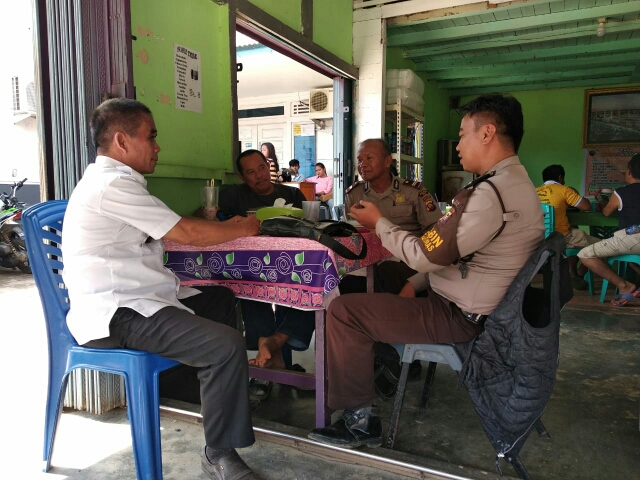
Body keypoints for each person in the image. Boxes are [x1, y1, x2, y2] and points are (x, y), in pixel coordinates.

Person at [308, 93, 544, 449]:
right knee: (378, 280)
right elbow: (449, 255)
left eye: (462, 135)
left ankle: (359, 420)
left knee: (342, 311)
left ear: (487, 133)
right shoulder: (513, 183)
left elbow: (426, 254)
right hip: (470, 298)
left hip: (457, 313)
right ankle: (379, 361)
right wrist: (416, 280)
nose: (458, 145)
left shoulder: (490, 193)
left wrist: (380, 222)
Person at [61, 98, 261, 479]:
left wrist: (223, 226)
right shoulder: (111, 185)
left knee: (219, 298)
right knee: (226, 345)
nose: (157, 147)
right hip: (117, 313)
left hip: (137, 300)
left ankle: (208, 397)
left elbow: (170, 225)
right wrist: (242, 228)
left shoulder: (119, 183)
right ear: (122, 141)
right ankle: (219, 452)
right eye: (150, 137)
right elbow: (185, 231)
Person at [341, 138, 443, 397]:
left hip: (409, 263)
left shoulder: (413, 192)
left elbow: (438, 238)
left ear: (388, 161)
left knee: (383, 278)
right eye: (360, 160)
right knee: (344, 285)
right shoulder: (354, 194)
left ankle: (393, 356)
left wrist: (421, 277)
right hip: (369, 264)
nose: (363, 164)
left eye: (370, 158)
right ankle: (376, 356)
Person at [219, 150, 316, 392]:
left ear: (269, 167)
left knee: (311, 288)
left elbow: (307, 228)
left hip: (290, 268)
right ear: (242, 177)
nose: (259, 175)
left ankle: (273, 352)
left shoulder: (291, 194)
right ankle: (275, 359)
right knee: (249, 288)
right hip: (250, 267)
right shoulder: (234, 195)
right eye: (251, 172)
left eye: (262, 168)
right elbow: (206, 214)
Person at [578, 153, 640, 306]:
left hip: (630, 238)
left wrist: (602, 203)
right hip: (633, 244)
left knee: (585, 255)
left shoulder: (621, 193)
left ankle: (624, 285)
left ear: (629, 172)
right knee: (632, 262)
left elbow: (606, 212)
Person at [536, 164, 598, 289]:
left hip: (538, 238)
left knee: (574, 235)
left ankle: (573, 274)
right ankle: (579, 273)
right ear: (560, 177)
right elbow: (586, 206)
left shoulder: (533, 191)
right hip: (561, 237)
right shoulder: (564, 190)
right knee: (603, 245)